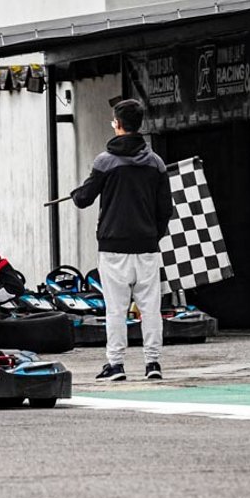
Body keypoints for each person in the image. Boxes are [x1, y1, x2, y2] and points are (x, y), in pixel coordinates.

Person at [71, 98, 171, 381]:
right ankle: (152, 363)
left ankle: (115, 365)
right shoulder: (155, 162)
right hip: (147, 246)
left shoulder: (105, 161)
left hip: (113, 247)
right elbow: (165, 209)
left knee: (116, 309)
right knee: (150, 308)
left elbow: (84, 198)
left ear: (117, 124)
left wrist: (76, 193)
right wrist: (153, 234)